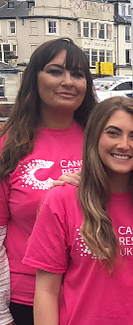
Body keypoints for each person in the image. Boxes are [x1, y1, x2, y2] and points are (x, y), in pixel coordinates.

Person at [23, 97, 133, 325]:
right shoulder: (61, 200)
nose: (124, 144)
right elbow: (46, 292)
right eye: (113, 133)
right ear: (94, 137)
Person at [0, 38, 97, 325]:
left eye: (78, 74)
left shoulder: (102, 140)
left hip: (88, 292)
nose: (68, 81)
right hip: (25, 300)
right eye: (56, 71)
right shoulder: (8, 146)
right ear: (34, 79)